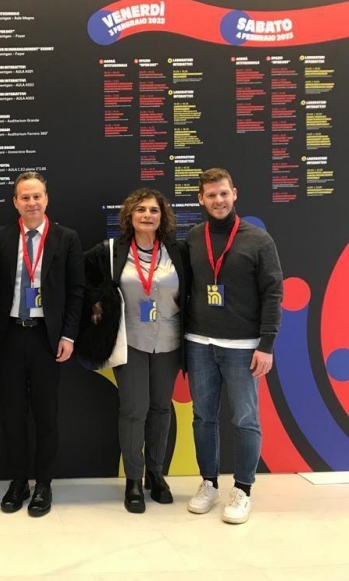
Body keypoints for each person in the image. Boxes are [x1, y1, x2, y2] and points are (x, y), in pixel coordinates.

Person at [0, 171, 85, 517]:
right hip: (10, 335)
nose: (31, 203)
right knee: (12, 414)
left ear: (46, 199)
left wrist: (68, 334)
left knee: (46, 414)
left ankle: (43, 483)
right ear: (15, 202)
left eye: (36, 196)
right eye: (24, 197)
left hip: (46, 337)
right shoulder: (1, 238)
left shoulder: (66, 238)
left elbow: (76, 290)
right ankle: (18, 481)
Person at [185, 168, 283, 524]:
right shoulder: (193, 237)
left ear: (234, 193)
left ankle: (243, 489)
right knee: (203, 418)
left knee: (245, 419)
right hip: (199, 343)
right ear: (201, 199)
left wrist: (266, 344)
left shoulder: (258, 240)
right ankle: (209, 483)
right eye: (211, 195)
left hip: (243, 347)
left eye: (223, 193)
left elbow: (273, 292)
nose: (218, 200)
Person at [84, 188, 188, 513]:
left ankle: (155, 474)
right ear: (130, 215)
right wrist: (96, 303)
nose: (147, 215)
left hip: (169, 340)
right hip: (130, 342)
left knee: (160, 409)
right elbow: (82, 274)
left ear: (162, 216)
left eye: (154, 210)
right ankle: (133, 479)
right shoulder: (112, 251)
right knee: (134, 410)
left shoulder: (177, 251)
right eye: (141, 209)